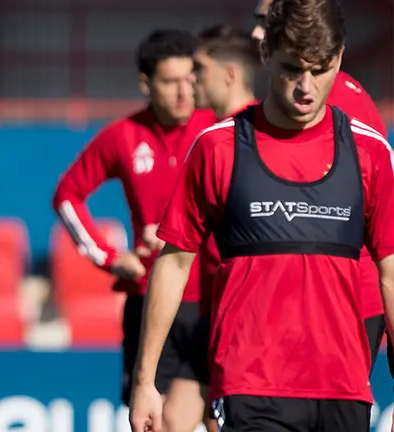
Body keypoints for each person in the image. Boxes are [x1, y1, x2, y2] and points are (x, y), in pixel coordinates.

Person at [130, 0, 394, 430]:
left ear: (340, 57)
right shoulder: (218, 147)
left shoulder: (369, 150)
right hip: (250, 384)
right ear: (266, 53)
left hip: (344, 387)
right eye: (292, 69)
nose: (306, 87)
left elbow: (390, 272)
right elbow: (174, 264)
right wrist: (145, 381)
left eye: (321, 70)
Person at [52, 29, 217, 432]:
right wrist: (109, 258)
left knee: (223, 421)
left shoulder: (218, 128)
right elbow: (67, 195)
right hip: (151, 302)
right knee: (154, 423)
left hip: (215, 300)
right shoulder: (122, 135)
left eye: (190, 79)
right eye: (171, 81)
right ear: (146, 83)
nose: (184, 92)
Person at [251, 0, 390, 373]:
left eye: (265, 20)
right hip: (295, 302)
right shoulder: (278, 102)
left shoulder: (334, 100)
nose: (255, 32)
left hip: (346, 299)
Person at [191, 23, 261, 432]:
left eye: (200, 69)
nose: (191, 79)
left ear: (231, 74)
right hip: (210, 310)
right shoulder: (210, 137)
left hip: (244, 320)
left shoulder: (254, 140)